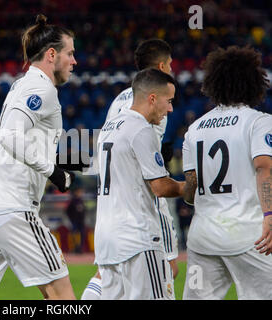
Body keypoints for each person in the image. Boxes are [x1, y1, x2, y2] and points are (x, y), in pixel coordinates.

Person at [0, 14, 78, 300]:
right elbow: (9, 136)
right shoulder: (41, 88)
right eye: (70, 53)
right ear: (52, 55)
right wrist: (54, 171)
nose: (74, 61)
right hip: (13, 211)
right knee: (63, 298)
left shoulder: (22, 85)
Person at [82, 39, 179, 300]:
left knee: (108, 276)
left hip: (108, 214)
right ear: (161, 66)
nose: (173, 69)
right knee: (166, 272)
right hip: (138, 214)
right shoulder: (153, 106)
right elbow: (154, 181)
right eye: (170, 65)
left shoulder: (120, 100)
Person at [182, 46, 272, 299]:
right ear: (253, 82)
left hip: (203, 238)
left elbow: (191, 190)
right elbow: (264, 167)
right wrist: (270, 214)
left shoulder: (195, 129)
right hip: (250, 237)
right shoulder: (258, 121)